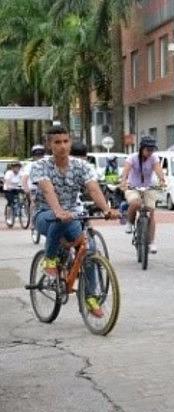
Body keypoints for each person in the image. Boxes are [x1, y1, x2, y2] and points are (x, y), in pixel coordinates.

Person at [30, 125, 119, 317]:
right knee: (59, 219)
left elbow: (93, 189)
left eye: (65, 141)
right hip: (45, 214)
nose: (62, 146)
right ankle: (49, 260)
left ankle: (91, 297)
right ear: (49, 145)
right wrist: (58, 210)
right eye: (57, 142)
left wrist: (106, 209)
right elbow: (48, 190)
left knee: (89, 249)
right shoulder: (40, 166)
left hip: (71, 216)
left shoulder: (81, 166)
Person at [120, 135, 166, 253]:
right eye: (148, 149)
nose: (150, 152)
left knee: (151, 211)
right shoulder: (132, 158)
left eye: (152, 149)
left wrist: (162, 180)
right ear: (141, 148)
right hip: (132, 186)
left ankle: (151, 242)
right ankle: (130, 222)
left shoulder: (154, 158)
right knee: (135, 203)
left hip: (149, 186)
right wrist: (124, 182)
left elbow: (158, 170)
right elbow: (125, 172)